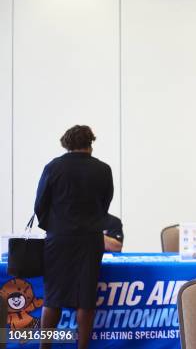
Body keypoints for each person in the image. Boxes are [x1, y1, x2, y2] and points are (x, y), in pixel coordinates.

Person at [34, 125, 113, 349]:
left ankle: (45, 347)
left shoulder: (53, 167)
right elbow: (105, 204)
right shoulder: (103, 169)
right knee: (85, 300)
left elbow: (40, 204)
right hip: (90, 240)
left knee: (53, 297)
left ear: (66, 143)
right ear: (90, 143)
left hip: (58, 240)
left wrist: (56, 227)